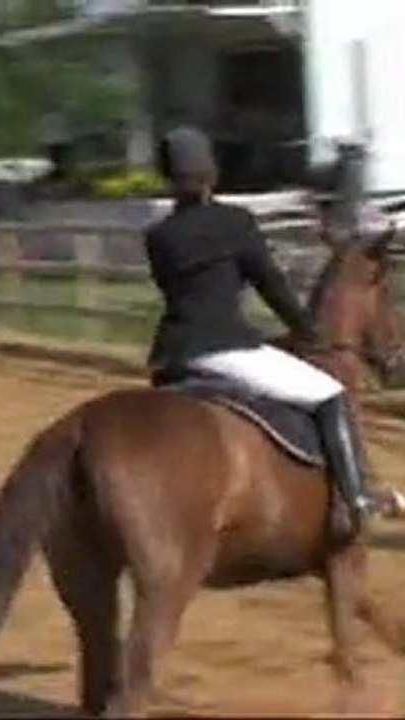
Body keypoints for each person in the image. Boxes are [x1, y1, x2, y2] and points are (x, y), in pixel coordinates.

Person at [144, 125, 400, 539]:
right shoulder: (235, 222)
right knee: (330, 394)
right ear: (211, 172)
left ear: (168, 177)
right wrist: (307, 330)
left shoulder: (158, 236)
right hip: (226, 347)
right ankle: (359, 498)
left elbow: (183, 293)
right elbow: (270, 284)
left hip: (171, 358)